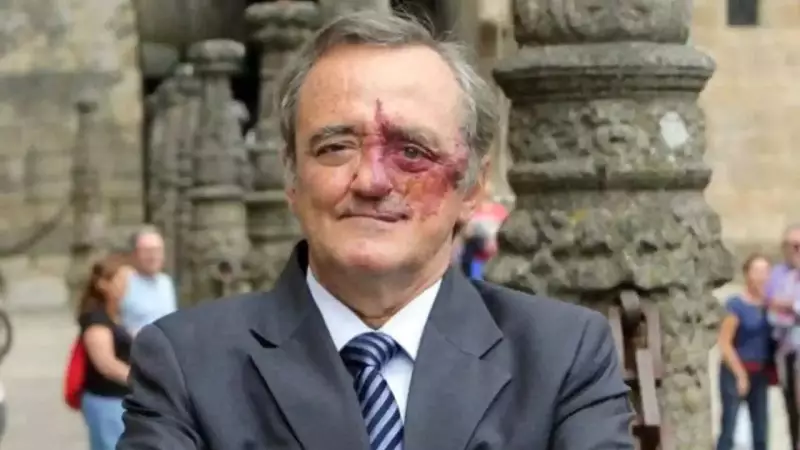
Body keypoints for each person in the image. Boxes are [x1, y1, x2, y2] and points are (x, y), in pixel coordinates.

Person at [118, 12, 633, 450]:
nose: (371, 180)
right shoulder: (187, 365)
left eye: (412, 151)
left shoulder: (562, 356)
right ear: (291, 178)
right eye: (335, 147)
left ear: (473, 187)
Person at [716, 254, 773, 450]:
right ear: (746, 274)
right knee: (729, 428)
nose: (761, 276)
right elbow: (724, 343)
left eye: (765, 271)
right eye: (756, 271)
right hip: (735, 371)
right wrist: (740, 375)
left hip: (760, 374)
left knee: (761, 432)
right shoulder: (736, 305)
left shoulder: (770, 305)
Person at [77, 254, 133, 450]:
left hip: (118, 401)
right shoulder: (96, 320)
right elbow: (106, 364)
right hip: (106, 400)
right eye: (121, 280)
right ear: (103, 284)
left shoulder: (115, 315)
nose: (126, 286)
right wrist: (140, 380)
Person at [766, 223, 800, 448]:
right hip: (785, 348)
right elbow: (770, 308)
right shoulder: (777, 274)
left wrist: (790, 305)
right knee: (791, 406)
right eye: (792, 245)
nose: (796, 250)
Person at [120, 226, 178, 336]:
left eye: (157, 250)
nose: (153, 256)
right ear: (134, 254)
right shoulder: (123, 281)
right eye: (147, 251)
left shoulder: (166, 282)